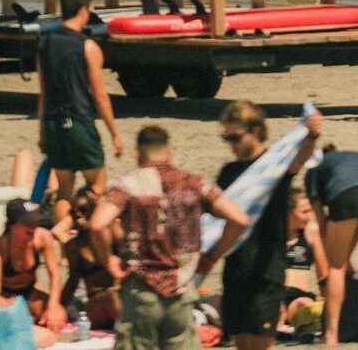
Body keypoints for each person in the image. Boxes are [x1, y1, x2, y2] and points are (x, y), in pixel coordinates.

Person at [92, 124, 249, 350]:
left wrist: (108, 260)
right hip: (182, 289)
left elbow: (97, 224)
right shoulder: (195, 183)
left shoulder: (127, 185)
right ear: (169, 152)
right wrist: (213, 256)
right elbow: (240, 219)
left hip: (142, 289)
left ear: (137, 153)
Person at [203, 102, 324, 350]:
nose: (231, 144)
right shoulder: (228, 172)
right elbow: (215, 221)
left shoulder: (274, 166)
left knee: (261, 343)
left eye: (235, 137)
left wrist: (312, 134)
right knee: (242, 343)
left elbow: (299, 159)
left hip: (266, 270)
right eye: (227, 138)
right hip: (235, 270)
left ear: (256, 131)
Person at [37, 0, 124, 218]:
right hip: (78, 121)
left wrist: (41, 131)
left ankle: (64, 243)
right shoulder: (88, 46)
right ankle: (87, 233)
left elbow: (43, 91)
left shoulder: (44, 44)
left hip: (53, 123)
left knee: (63, 192)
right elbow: (99, 95)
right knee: (97, 187)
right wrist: (115, 133)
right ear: (83, 10)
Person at [304, 143, 358, 346]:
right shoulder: (353, 156)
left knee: (337, 266)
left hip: (347, 192)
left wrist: (337, 254)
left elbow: (320, 222)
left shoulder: (312, 172)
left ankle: (332, 334)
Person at [0, 197, 65, 328]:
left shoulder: (42, 237)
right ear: (12, 224)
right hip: (5, 296)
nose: (33, 227)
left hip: (30, 292)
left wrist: (53, 306)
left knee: (59, 316)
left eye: (35, 222)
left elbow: (55, 275)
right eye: (28, 223)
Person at [61, 185, 120, 329]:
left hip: (121, 294)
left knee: (115, 296)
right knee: (110, 298)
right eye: (75, 213)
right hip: (96, 301)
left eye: (84, 210)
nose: (79, 217)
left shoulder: (112, 231)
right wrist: (57, 305)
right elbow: (73, 280)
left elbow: (129, 257)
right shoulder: (74, 246)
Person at [280, 189, 329, 333]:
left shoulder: (309, 232)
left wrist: (327, 295)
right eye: (304, 212)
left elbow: (323, 270)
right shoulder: (272, 236)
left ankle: (298, 325)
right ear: (288, 212)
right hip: (274, 294)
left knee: (305, 305)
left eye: (310, 211)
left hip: (298, 296)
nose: (309, 216)